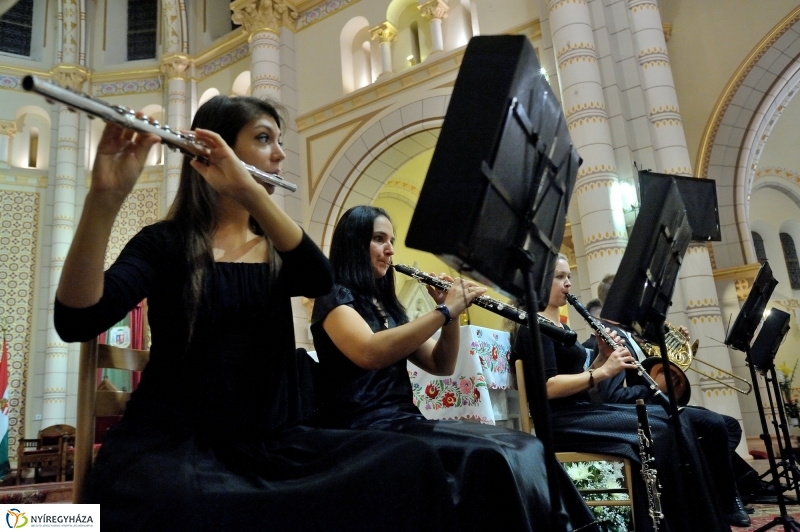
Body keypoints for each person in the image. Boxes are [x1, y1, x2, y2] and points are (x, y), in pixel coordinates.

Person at [53, 97, 459, 532]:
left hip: (273, 445)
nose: (281, 154)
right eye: (264, 138)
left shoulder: (279, 250)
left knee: (410, 464)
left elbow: (319, 277)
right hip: (174, 443)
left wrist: (248, 191)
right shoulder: (164, 243)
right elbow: (76, 319)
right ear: (214, 150)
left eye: (278, 140)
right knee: (190, 507)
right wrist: (104, 199)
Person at [309, 205, 598, 532]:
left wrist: (447, 314)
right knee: (489, 456)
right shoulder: (334, 297)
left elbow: (441, 364)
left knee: (526, 446)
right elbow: (368, 353)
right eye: (379, 239)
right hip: (360, 426)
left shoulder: (388, 306)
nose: (390, 249)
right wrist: (445, 311)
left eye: (390, 239)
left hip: (403, 420)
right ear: (353, 243)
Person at [513, 253, 731, 532]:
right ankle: (666, 524)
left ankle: (694, 521)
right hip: (559, 421)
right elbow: (547, 388)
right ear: (540, 282)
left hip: (580, 412)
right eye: (560, 277)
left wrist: (602, 359)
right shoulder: (535, 325)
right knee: (660, 427)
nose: (568, 284)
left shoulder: (561, 326)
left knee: (671, 418)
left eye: (568, 276)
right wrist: (603, 371)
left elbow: (578, 377)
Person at [592, 273, 755, 526]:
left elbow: (658, 367)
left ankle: (711, 490)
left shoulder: (635, 333)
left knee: (728, 425)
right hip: (640, 412)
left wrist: (675, 348)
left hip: (656, 406)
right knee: (714, 424)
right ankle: (726, 499)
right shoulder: (611, 336)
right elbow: (612, 397)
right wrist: (656, 387)